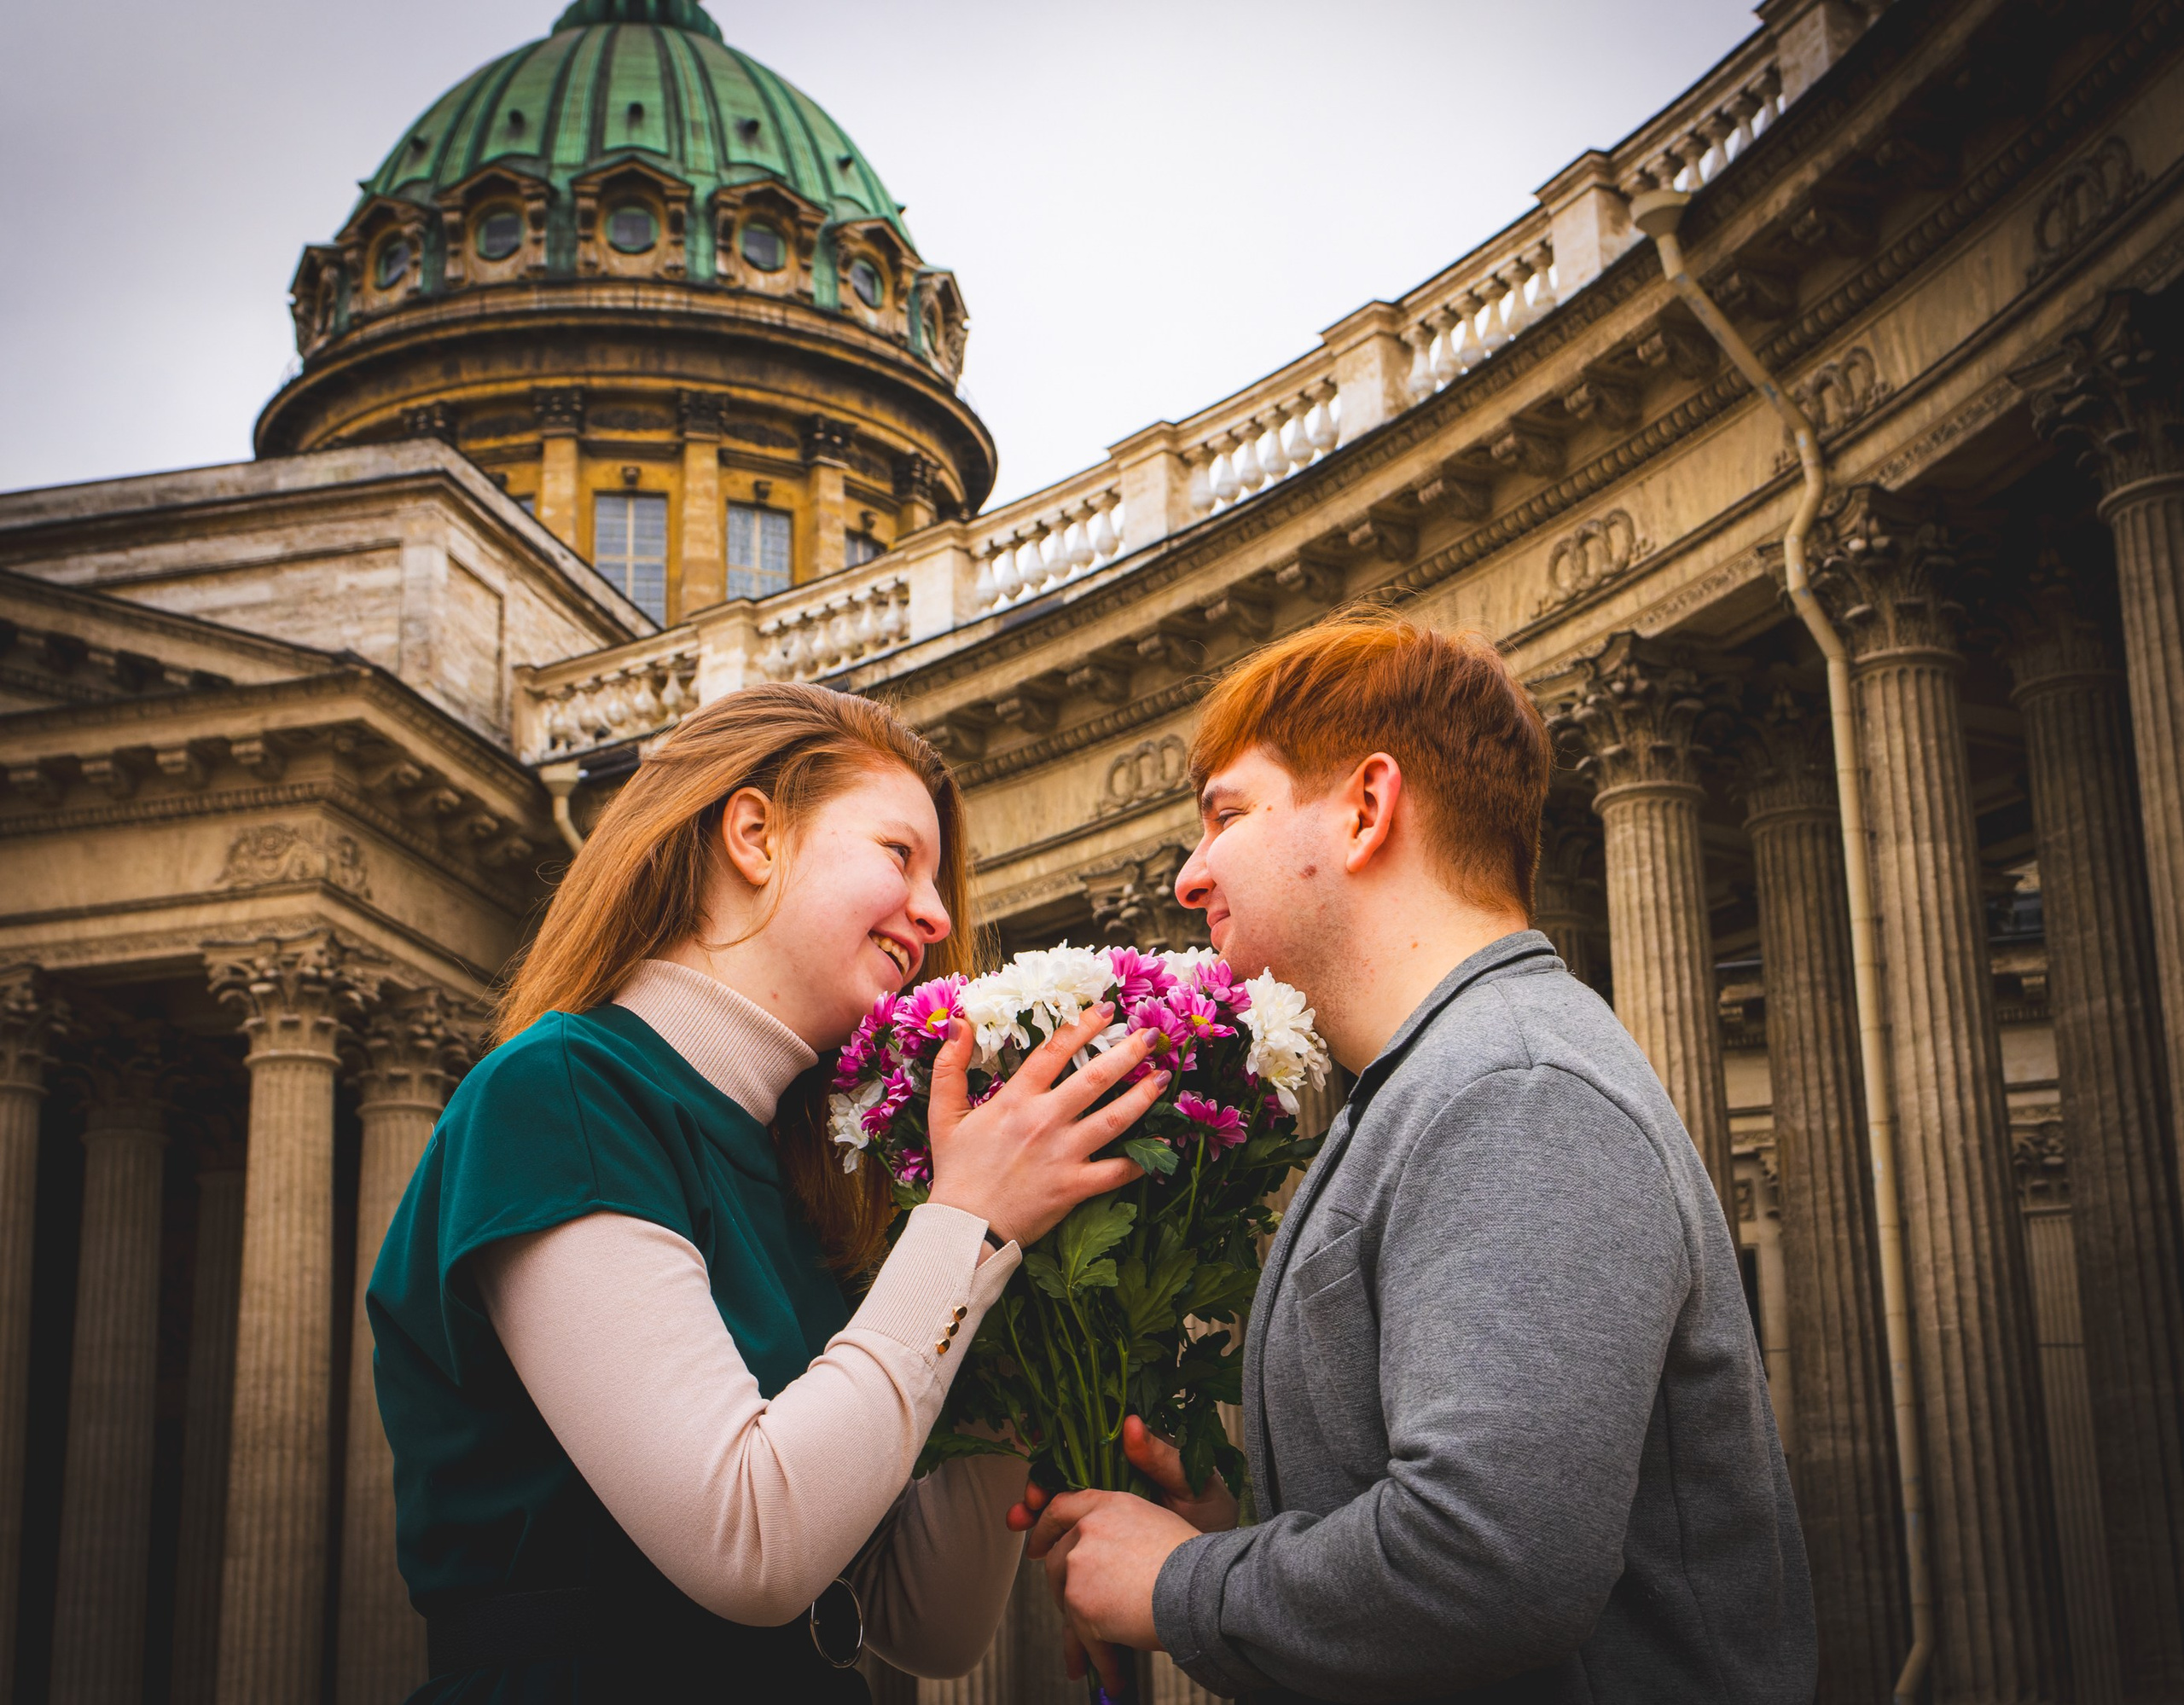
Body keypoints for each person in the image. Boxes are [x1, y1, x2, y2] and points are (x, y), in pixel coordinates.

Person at [1018, 609, 1816, 1702]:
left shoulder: (1512, 1090)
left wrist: (1183, 1585)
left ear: (1366, 808)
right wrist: (1235, 1537)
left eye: (1227, 815)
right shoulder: (1449, 1078)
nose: (1190, 876)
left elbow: (1494, 1564)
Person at [367, 682, 1170, 1702]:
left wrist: (1020, 1282)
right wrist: (968, 1223)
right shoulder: (562, 1088)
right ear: (755, 835)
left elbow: (930, 1619)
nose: (937, 915)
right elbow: (750, 1544)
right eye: (898, 853)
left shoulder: (804, 1178)